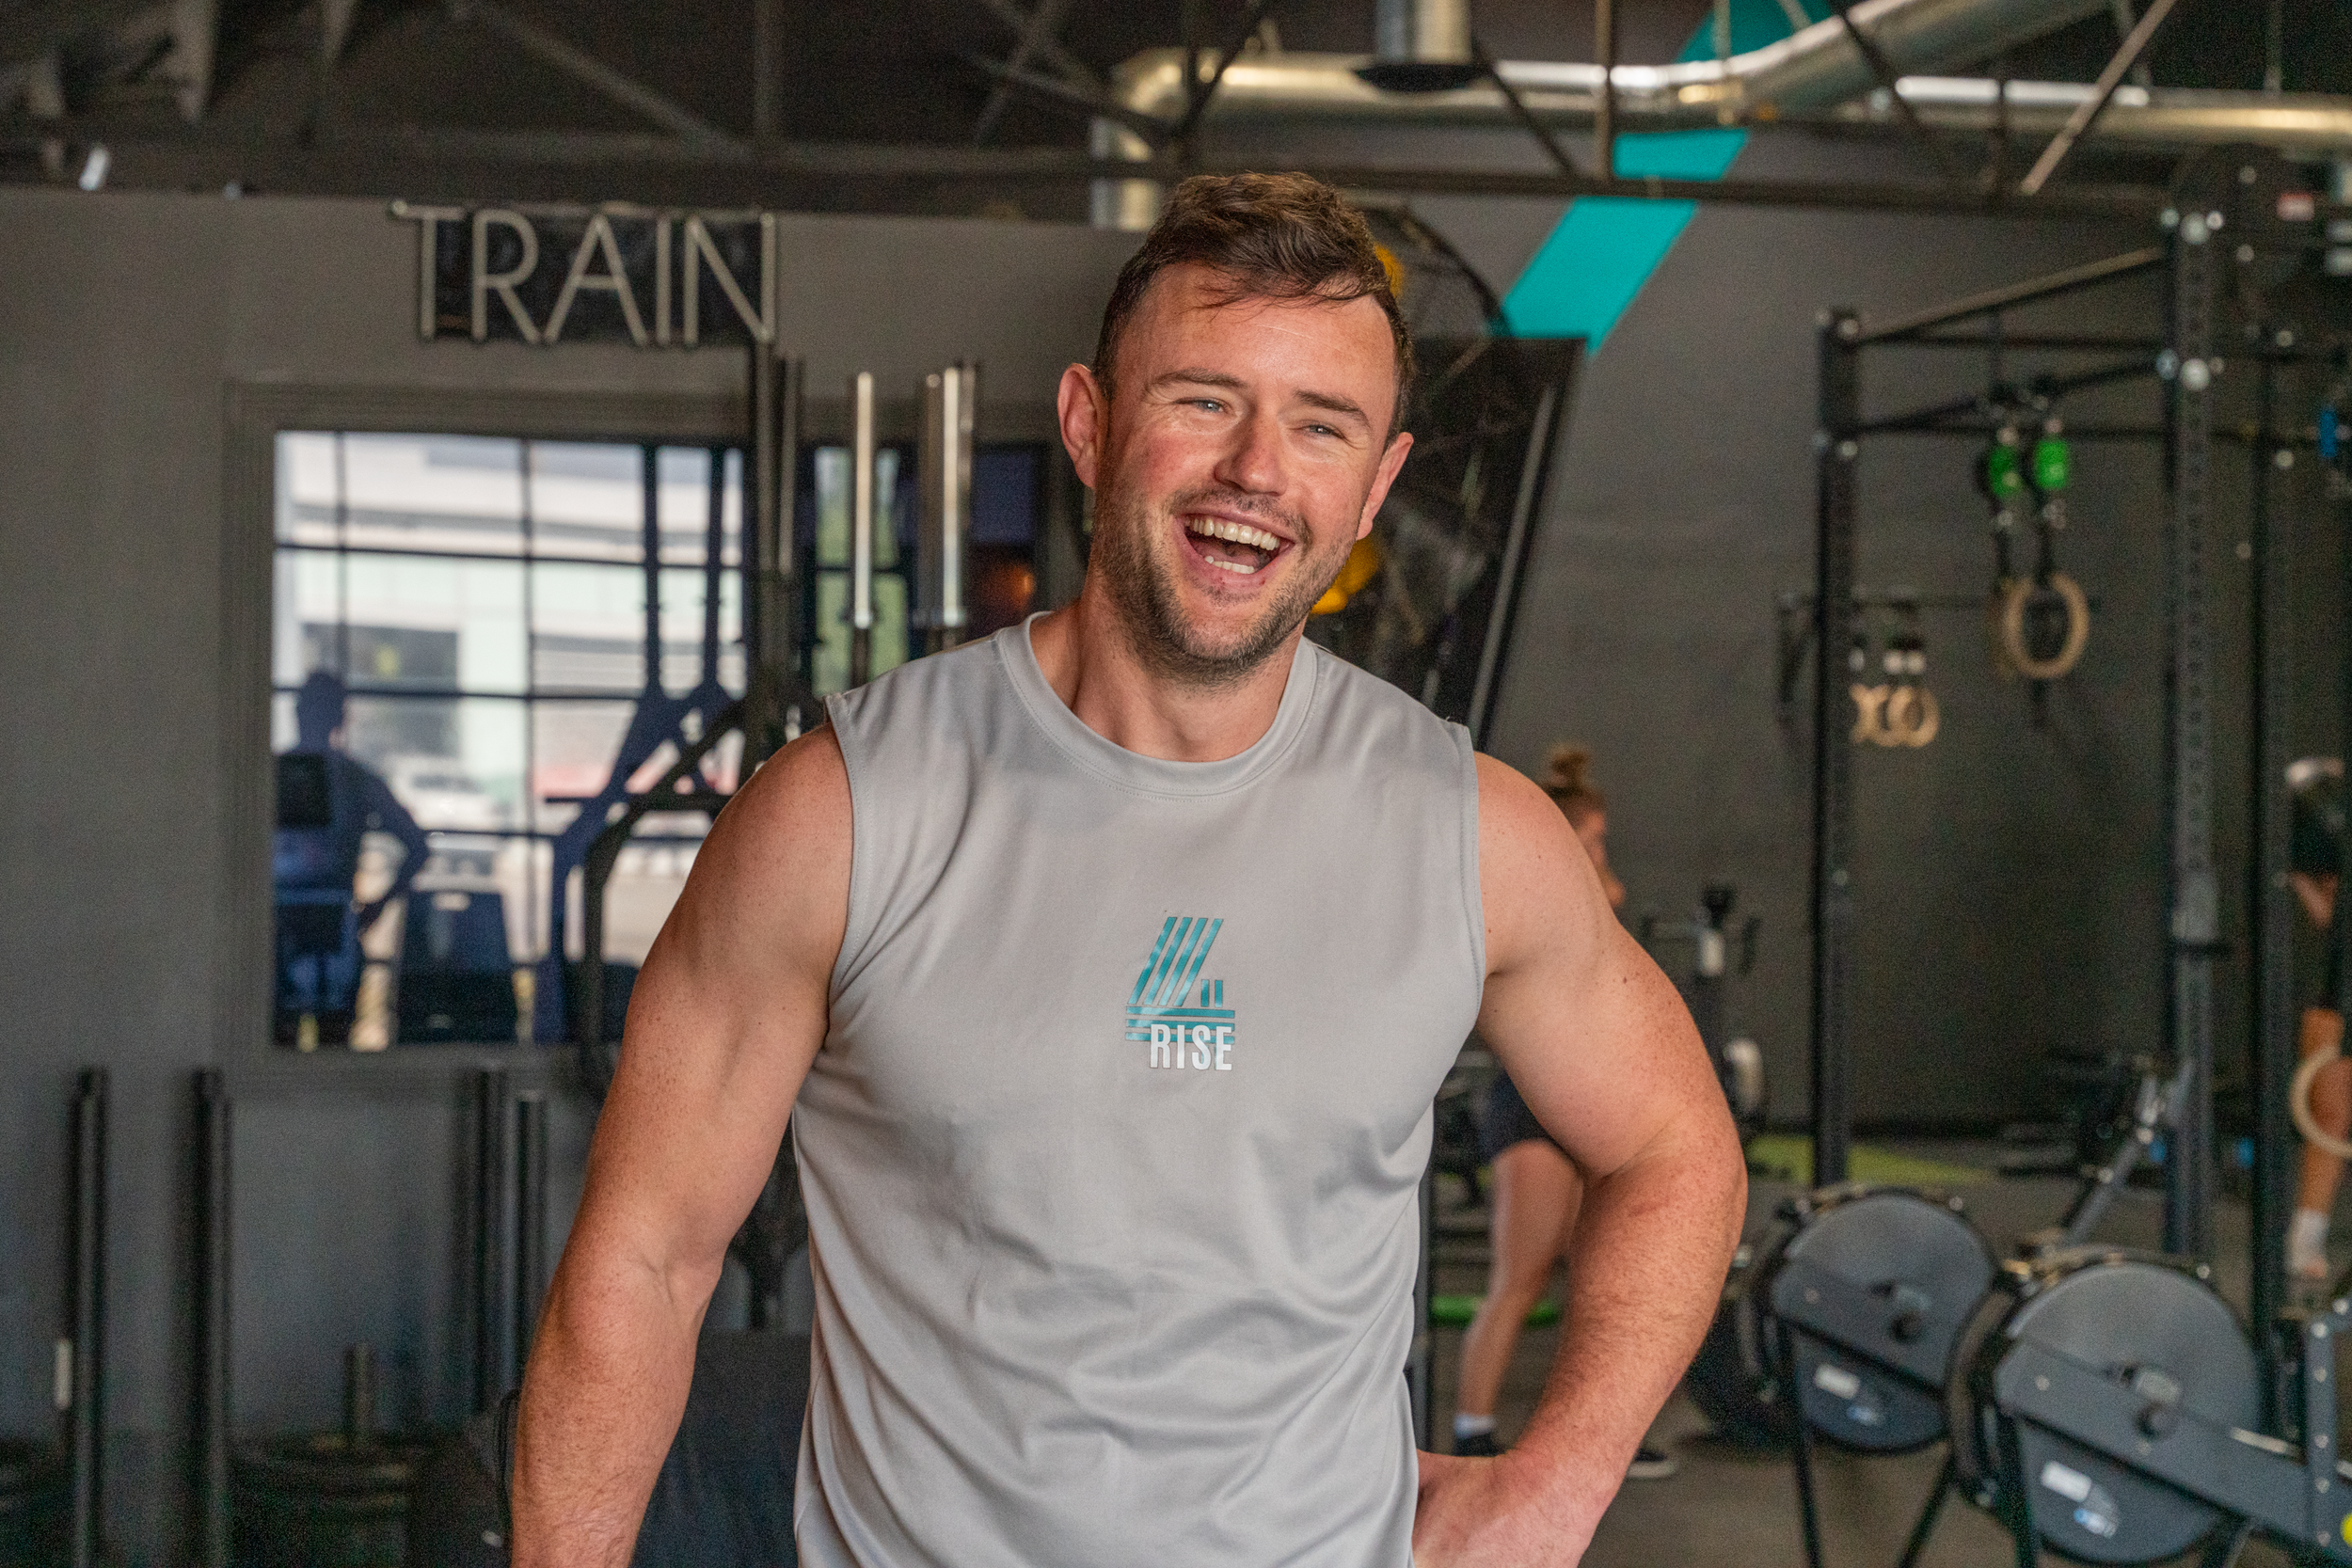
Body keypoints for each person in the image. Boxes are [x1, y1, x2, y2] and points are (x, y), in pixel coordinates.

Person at [513, 172, 1745, 1568]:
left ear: (1376, 487)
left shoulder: (1475, 832)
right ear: (1093, 424)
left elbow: (1675, 1148)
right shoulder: (843, 814)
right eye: (1205, 400)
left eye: (1320, 424)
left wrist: (1558, 1481)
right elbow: (645, 1260)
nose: (1257, 472)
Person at [1451, 746, 1674, 1481]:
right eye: (1595, 837)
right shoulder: (1529, 886)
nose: (1605, 853)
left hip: (1587, 1096)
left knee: (1600, 1276)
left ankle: (1598, 1436)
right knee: (1520, 1275)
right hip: (1530, 1103)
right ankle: (1473, 1432)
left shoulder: (1591, 885)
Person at [272, 671, 430, 1045]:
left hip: (301, 926)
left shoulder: (278, 775)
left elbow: (417, 846)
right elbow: (417, 846)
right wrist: (378, 906)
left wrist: (378, 905)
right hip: (313, 926)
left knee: (292, 1043)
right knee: (321, 1044)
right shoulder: (353, 779)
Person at [2288, 757, 2348, 1282]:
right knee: (2329, 1115)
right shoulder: (2331, 833)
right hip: (2342, 985)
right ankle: (2305, 1238)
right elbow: (2328, 914)